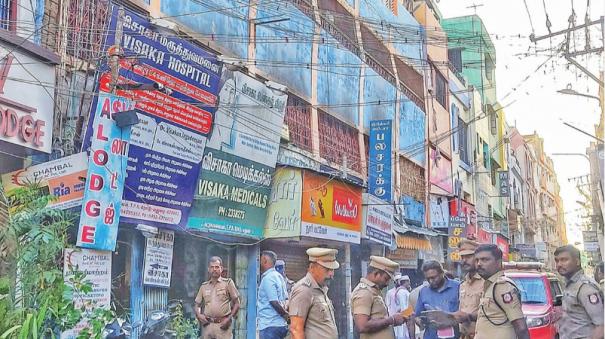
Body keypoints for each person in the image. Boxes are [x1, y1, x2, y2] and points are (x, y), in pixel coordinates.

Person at [474, 244, 529, 339]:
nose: (479, 264)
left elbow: (521, 328)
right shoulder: (490, 285)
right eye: (477, 260)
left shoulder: (502, 286)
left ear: (498, 262)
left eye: (485, 260)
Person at [351, 256, 409, 339]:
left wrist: (396, 318)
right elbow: (362, 326)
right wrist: (391, 320)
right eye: (386, 279)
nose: (387, 283)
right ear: (376, 273)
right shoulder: (364, 292)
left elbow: (379, 319)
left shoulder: (374, 291)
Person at [288, 248, 339, 339]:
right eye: (327, 269)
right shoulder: (304, 290)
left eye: (333, 269)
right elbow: (296, 329)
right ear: (312, 267)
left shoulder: (320, 289)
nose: (331, 274)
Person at [554, 245, 604, 339]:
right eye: (557, 260)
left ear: (577, 261)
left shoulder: (585, 287)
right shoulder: (570, 284)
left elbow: (601, 326)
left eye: (564, 260)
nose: (559, 264)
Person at [195, 256, 240, 339]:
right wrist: (199, 315)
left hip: (223, 326)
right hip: (207, 326)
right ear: (208, 269)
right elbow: (197, 305)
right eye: (212, 267)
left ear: (221, 268)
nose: (214, 269)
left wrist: (229, 318)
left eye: (217, 267)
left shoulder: (228, 283)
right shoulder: (204, 286)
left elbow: (237, 304)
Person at [413, 260, 460, 339]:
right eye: (428, 279)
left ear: (442, 273)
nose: (431, 281)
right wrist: (420, 322)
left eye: (433, 277)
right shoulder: (423, 291)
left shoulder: (457, 287)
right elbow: (417, 316)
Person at [453, 239, 484, 339]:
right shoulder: (463, 284)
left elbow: (491, 312)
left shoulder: (487, 282)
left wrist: (468, 316)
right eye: (462, 257)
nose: (464, 260)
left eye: (469, 256)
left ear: (478, 258)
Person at [258, 251, 289, 339]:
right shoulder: (279, 277)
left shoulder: (268, 278)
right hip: (280, 325)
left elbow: (274, 302)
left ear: (264, 260)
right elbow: (286, 299)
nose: (259, 263)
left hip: (269, 326)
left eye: (260, 260)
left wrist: (286, 316)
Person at [386, 274, 412, 339]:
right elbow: (403, 307)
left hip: (404, 315)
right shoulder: (401, 292)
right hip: (401, 316)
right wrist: (406, 316)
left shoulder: (404, 291)